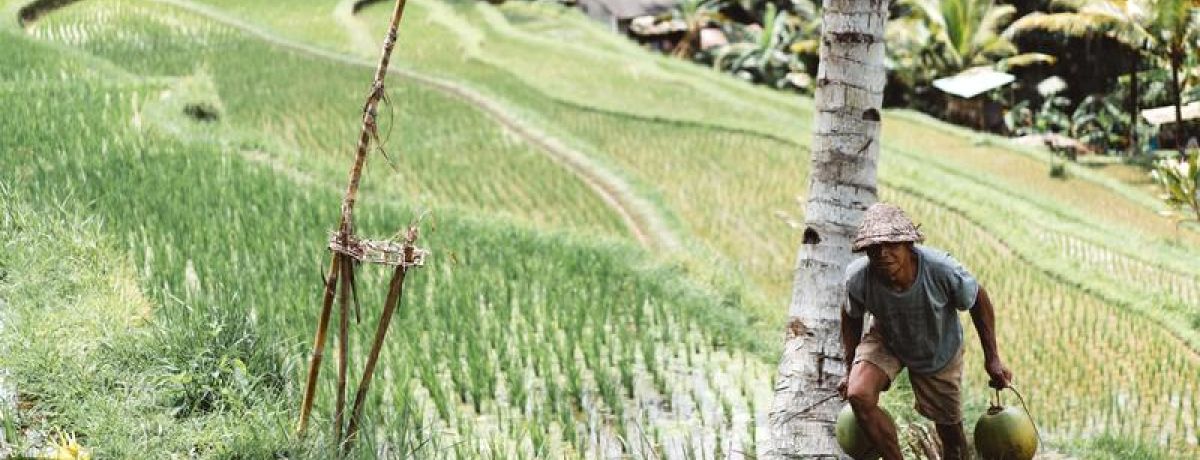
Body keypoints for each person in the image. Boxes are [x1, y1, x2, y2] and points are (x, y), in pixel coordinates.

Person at [837, 203, 1013, 460]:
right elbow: (850, 315)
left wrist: (993, 358)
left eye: (892, 245)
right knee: (858, 394)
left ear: (909, 245)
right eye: (874, 248)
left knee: (951, 436)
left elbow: (977, 299)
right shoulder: (858, 278)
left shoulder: (942, 270)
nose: (883, 254)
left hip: (937, 347)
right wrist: (849, 366)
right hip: (888, 337)